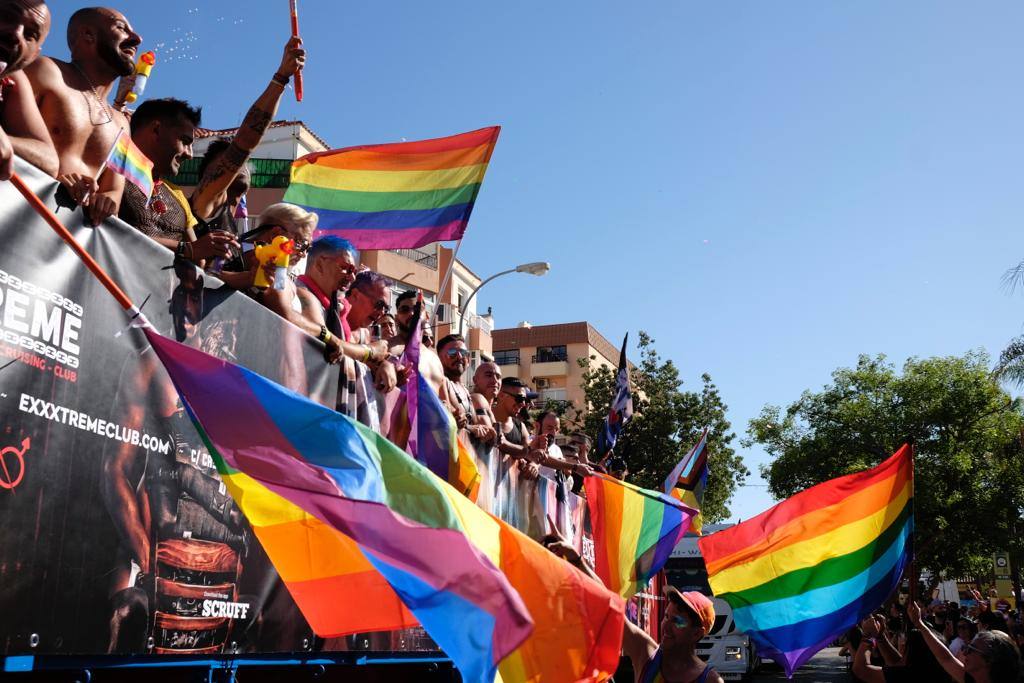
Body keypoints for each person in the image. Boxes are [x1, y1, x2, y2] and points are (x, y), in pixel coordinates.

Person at [27, 6, 141, 224]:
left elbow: (113, 193)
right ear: (88, 35)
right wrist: (52, 178)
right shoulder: (47, 72)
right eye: (121, 28)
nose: (136, 38)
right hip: (17, 211)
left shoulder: (121, 124)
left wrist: (104, 202)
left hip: (67, 240)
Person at [189, 36, 305, 228]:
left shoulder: (235, 229)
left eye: (240, 163)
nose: (235, 167)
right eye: (228, 164)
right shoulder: (202, 205)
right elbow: (244, 142)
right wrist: (281, 77)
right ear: (205, 178)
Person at [119, 98, 238, 265]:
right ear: (156, 130)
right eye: (185, 141)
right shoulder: (110, 173)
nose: (189, 154)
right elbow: (110, 231)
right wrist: (186, 249)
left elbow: (199, 262)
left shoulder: (177, 196)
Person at [0, 0, 57, 179]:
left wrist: (5, 141)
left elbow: (49, 160)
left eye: (30, 34)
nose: (17, 34)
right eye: (7, 17)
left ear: (33, 56)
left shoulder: (12, 79)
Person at [907, 597, 1021, 683]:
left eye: (971, 649)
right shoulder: (971, 679)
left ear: (989, 659)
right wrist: (919, 624)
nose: (964, 652)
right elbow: (945, 658)